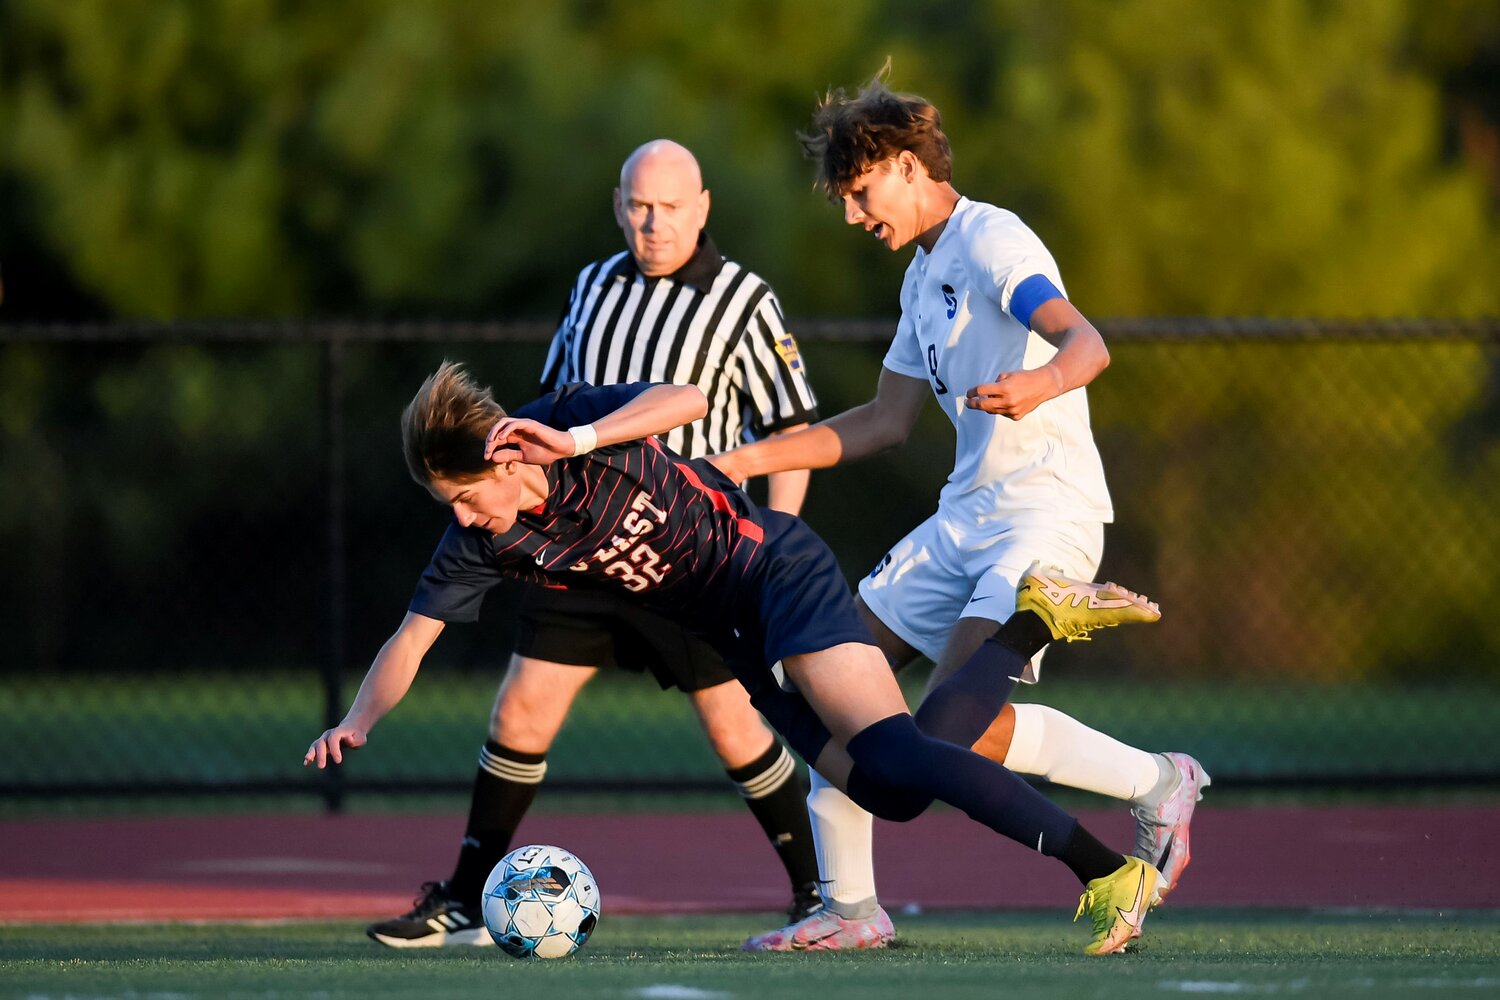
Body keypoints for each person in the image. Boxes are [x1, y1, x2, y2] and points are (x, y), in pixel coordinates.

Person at [306, 362, 1168, 955]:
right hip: (735, 639)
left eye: (463, 497)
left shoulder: (564, 423)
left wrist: (576, 440)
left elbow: (685, 401)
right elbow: (411, 637)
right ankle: (1034, 622)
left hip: (774, 571)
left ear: (498, 455)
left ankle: (1107, 873)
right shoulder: (484, 543)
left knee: (900, 751)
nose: (460, 518)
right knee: (888, 789)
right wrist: (356, 720)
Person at [710, 69, 1209, 951]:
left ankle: (1154, 784)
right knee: (824, 681)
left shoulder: (990, 240)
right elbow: (881, 422)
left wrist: (1039, 383)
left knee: (943, 734)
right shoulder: (919, 279)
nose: (858, 217)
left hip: (1042, 514)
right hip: (961, 521)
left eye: (862, 194)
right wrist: (741, 459)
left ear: (906, 166)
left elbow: (1085, 343)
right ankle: (851, 912)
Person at [363, 140, 824, 948]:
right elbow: (547, 407)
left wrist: (771, 557)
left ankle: (816, 891)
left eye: (671, 207)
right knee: (523, 708)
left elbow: (791, 431)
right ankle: (467, 898)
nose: (653, 223)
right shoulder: (591, 286)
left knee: (736, 725)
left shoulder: (744, 299)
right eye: (639, 206)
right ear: (619, 206)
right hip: (569, 544)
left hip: (682, 550)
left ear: (702, 207)